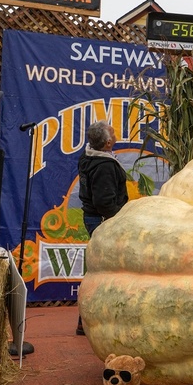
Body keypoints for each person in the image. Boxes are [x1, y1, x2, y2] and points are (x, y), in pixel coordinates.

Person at [76, 120, 129, 335]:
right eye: (114, 133)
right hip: (102, 220)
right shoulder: (104, 165)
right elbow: (104, 203)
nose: (116, 135)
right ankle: (90, 321)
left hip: (93, 217)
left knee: (96, 268)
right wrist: (121, 218)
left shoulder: (88, 156)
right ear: (108, 143)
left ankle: (85, 321)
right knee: (102, 270)